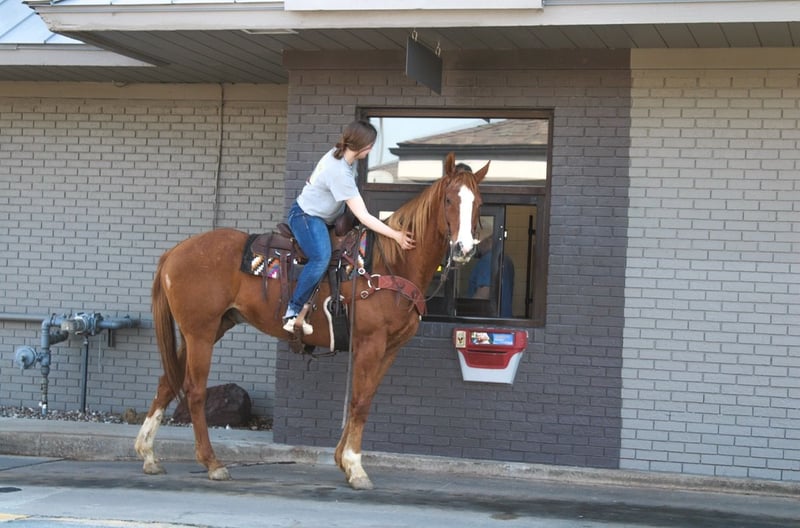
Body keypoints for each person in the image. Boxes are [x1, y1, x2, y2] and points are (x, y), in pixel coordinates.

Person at [283, 119, 415, 334]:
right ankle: (292, 310)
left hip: (325, 217)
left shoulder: (342, 156)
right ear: (362, 146)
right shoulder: (339, 171)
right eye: (371, 145)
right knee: (320, 258)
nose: (371, 149)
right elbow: (363, 216)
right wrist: (396, 235)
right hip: (307, 216)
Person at [467, 236, 515, 318]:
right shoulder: (506, 259)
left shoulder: (487, 261)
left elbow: (482, 296)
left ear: (488, 240)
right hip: (504, 319)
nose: (476, 245)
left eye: (478, 241)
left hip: (487, 320)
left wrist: (465, 313)